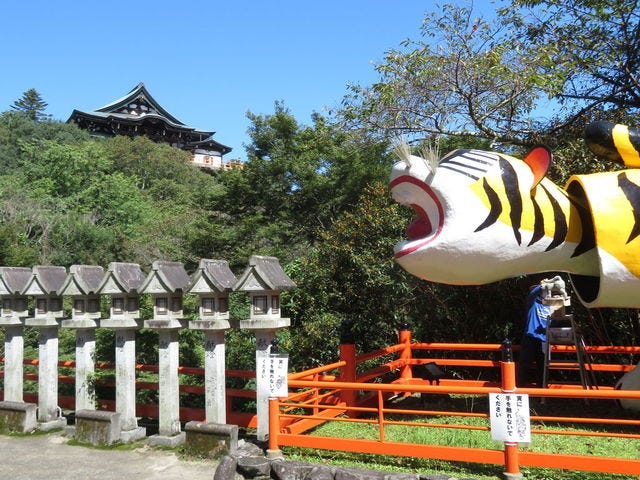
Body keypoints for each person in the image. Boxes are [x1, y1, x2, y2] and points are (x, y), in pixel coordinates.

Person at [517, 284, 552, 387]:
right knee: (525, 364)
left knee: (544, 367)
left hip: (544, 339)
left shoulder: (550, 306)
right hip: (530, 337)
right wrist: (544, 285)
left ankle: (542, 392)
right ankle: (520, 388)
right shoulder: (533, 303)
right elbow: (532, 293)